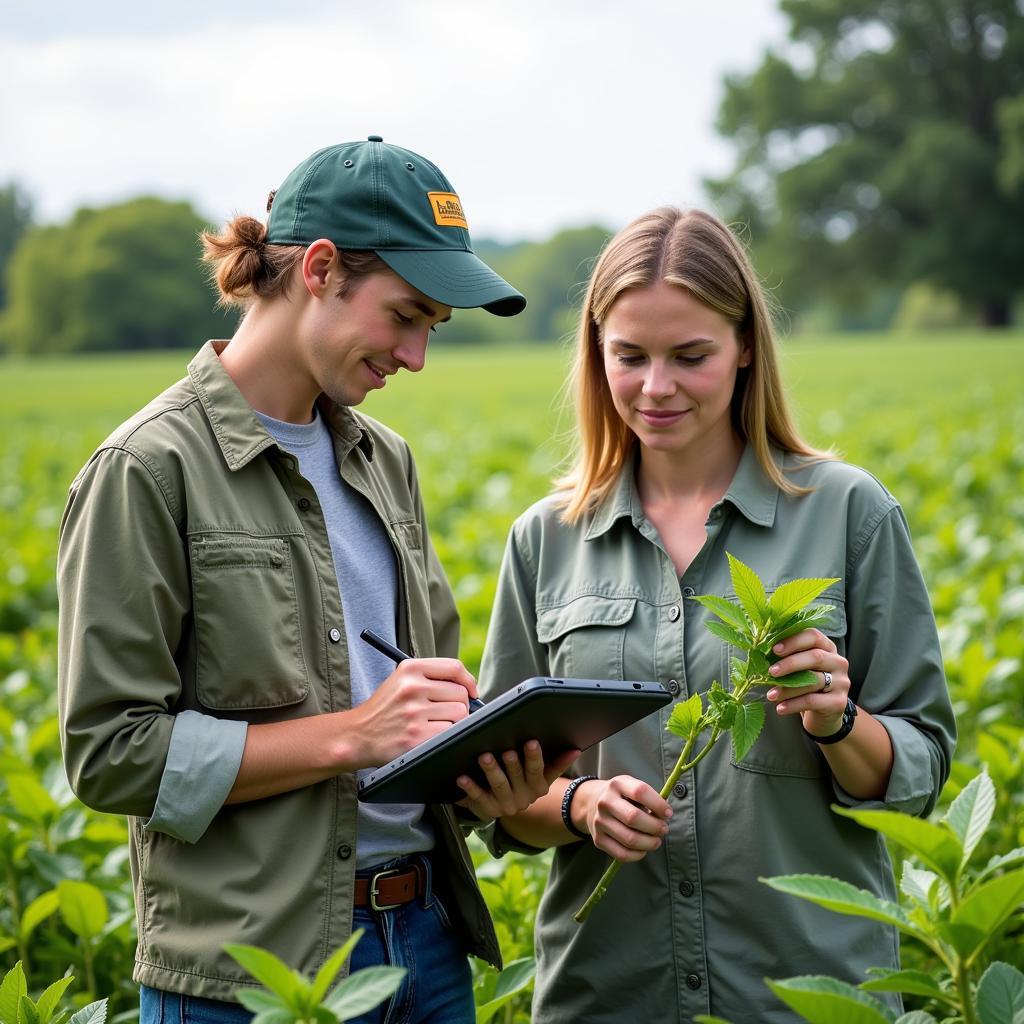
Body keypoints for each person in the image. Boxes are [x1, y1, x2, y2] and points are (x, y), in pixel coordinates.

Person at [57, 136, 576, 1024]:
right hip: (251, 977)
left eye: (432, 331)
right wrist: (352, 736)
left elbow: (409, 710)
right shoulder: (148, 468)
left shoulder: (386, 461)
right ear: (323, 269)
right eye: (406, 315)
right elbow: (109, 754)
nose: (415, 357)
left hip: (426, 946)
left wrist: (493, 763)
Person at [475, 207, 957, 1023]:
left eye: (690, 356)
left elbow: (919, 770)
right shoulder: (545, 540)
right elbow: (496, 784)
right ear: (598, 356)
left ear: (743, 351)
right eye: (630, 356)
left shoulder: (846, 513)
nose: (656, 387)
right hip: (610, 993)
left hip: (804, 994)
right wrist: (577, 807)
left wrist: (837, 721)